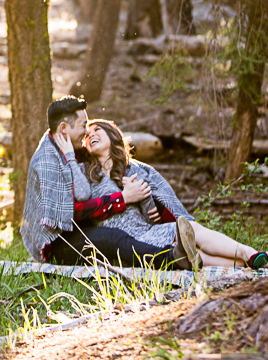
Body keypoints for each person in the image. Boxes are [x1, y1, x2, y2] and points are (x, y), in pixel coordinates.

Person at [78, 119, 268, 271]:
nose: (91, 135)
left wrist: (148, 202)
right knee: (190, 248)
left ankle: (254, 256)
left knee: (189, 231)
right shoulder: (84, 175)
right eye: (87, 135)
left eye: (97, 130)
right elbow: (83, 210)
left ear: (112, 134)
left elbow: (157, 209)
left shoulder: (137, 169)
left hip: (147, 231)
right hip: (124, 242)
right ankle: (262, 258)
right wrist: (126, 196)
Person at [20, 95, 169, 265]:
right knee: (111, 237)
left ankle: (173, 250)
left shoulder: (72, 148)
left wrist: (154, 204)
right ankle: (171, 259)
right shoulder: (47, 161)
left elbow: (108, 163)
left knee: (114, 234)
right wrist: (122, 199)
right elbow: (72, 213)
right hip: (56, 243)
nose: (86, 132)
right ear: (63, 128)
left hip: (79, 231)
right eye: (83, 125)